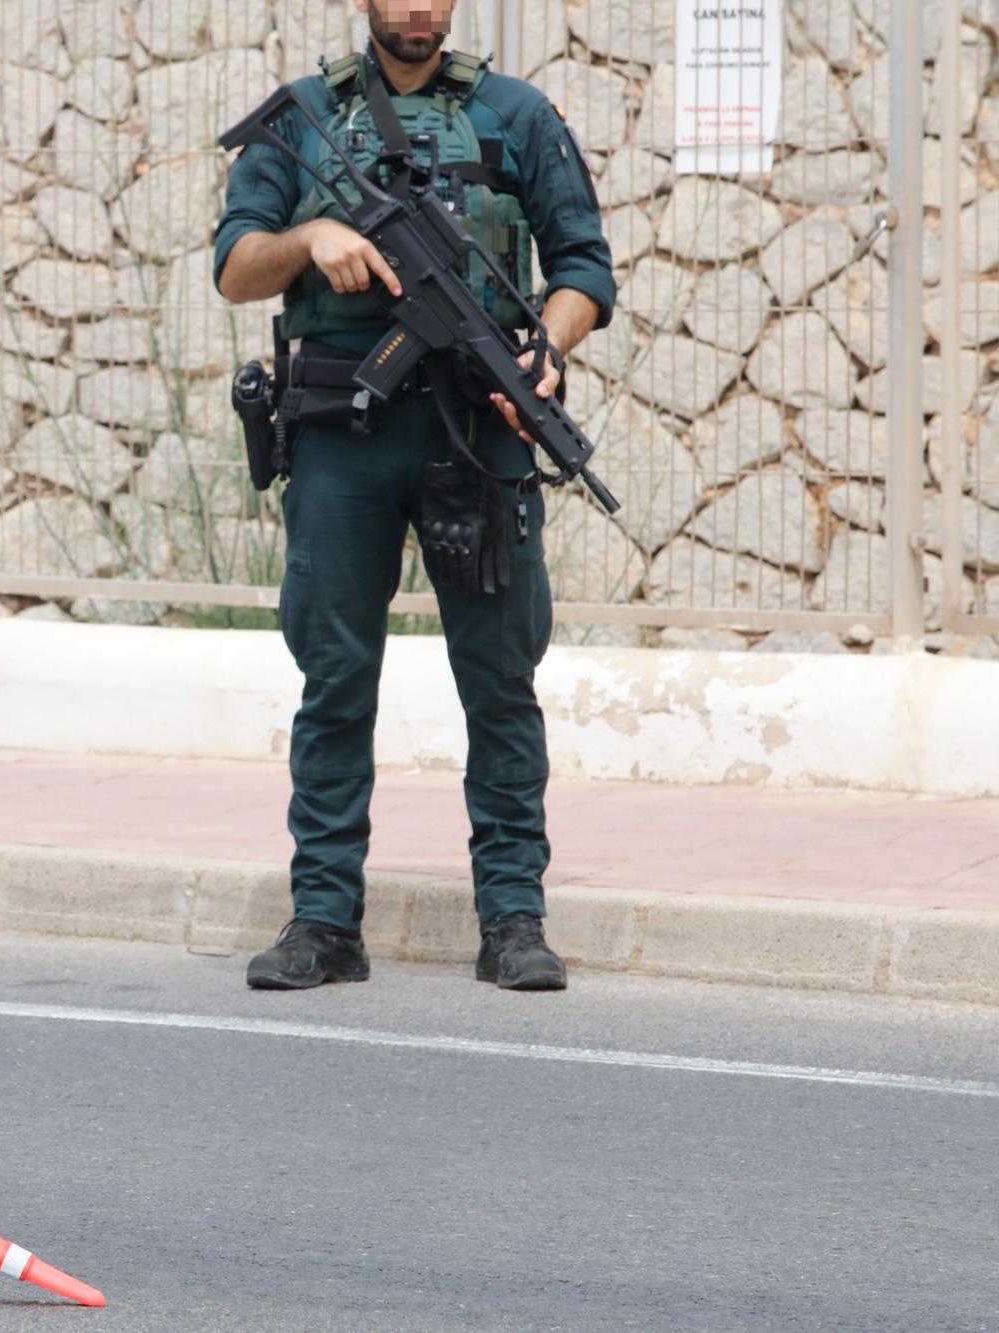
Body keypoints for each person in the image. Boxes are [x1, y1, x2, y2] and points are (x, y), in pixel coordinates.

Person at [214, 0, 615, 994]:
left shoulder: (515, 115)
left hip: (476, 430)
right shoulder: (305, 116)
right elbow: (233, 267)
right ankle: (321, 919)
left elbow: (582, 272)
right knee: (334, 675)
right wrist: (310, 236)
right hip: (342, 432)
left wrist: (543, 351)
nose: (417, 8)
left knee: (497, 676)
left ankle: (512, 915)